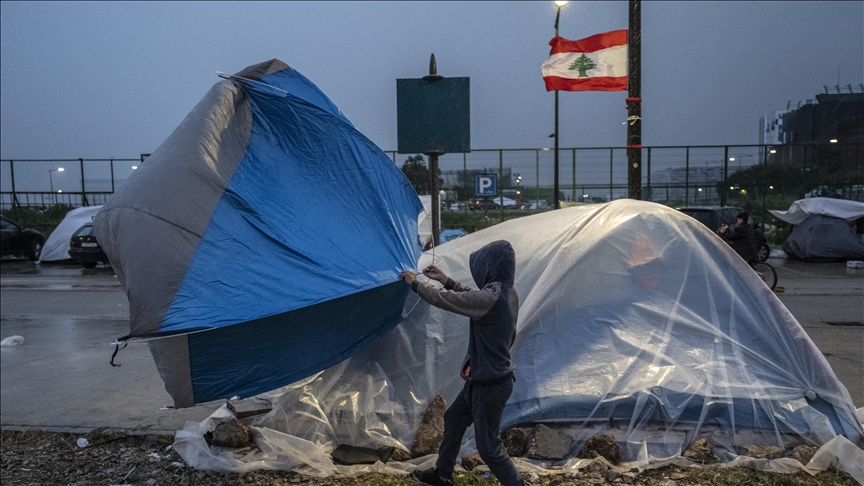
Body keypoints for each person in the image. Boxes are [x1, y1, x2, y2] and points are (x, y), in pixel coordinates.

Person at [398, 240, 524, 486]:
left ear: (490, 267)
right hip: (480, 380)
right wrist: (447, 280)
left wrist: (415, 283)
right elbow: (472, 296)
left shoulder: (493, 298)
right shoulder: (506, 290)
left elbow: (446, 300)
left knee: (488, 448)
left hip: (490, 386)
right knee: (454, 419)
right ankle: (442, 475)